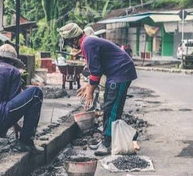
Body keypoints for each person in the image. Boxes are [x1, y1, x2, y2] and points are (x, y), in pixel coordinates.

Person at [58, 23, 137, 156]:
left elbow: (96, 72)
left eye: (68, 42)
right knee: (110, 106)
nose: (70, 46)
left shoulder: (86, 43)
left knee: (111, 108)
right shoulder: (87, 42)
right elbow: (95, 69)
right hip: (116, 73)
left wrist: (89, 93)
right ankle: (125, 135)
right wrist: (88, 86)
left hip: (120, 73)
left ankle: (107, 143)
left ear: (73, 39)